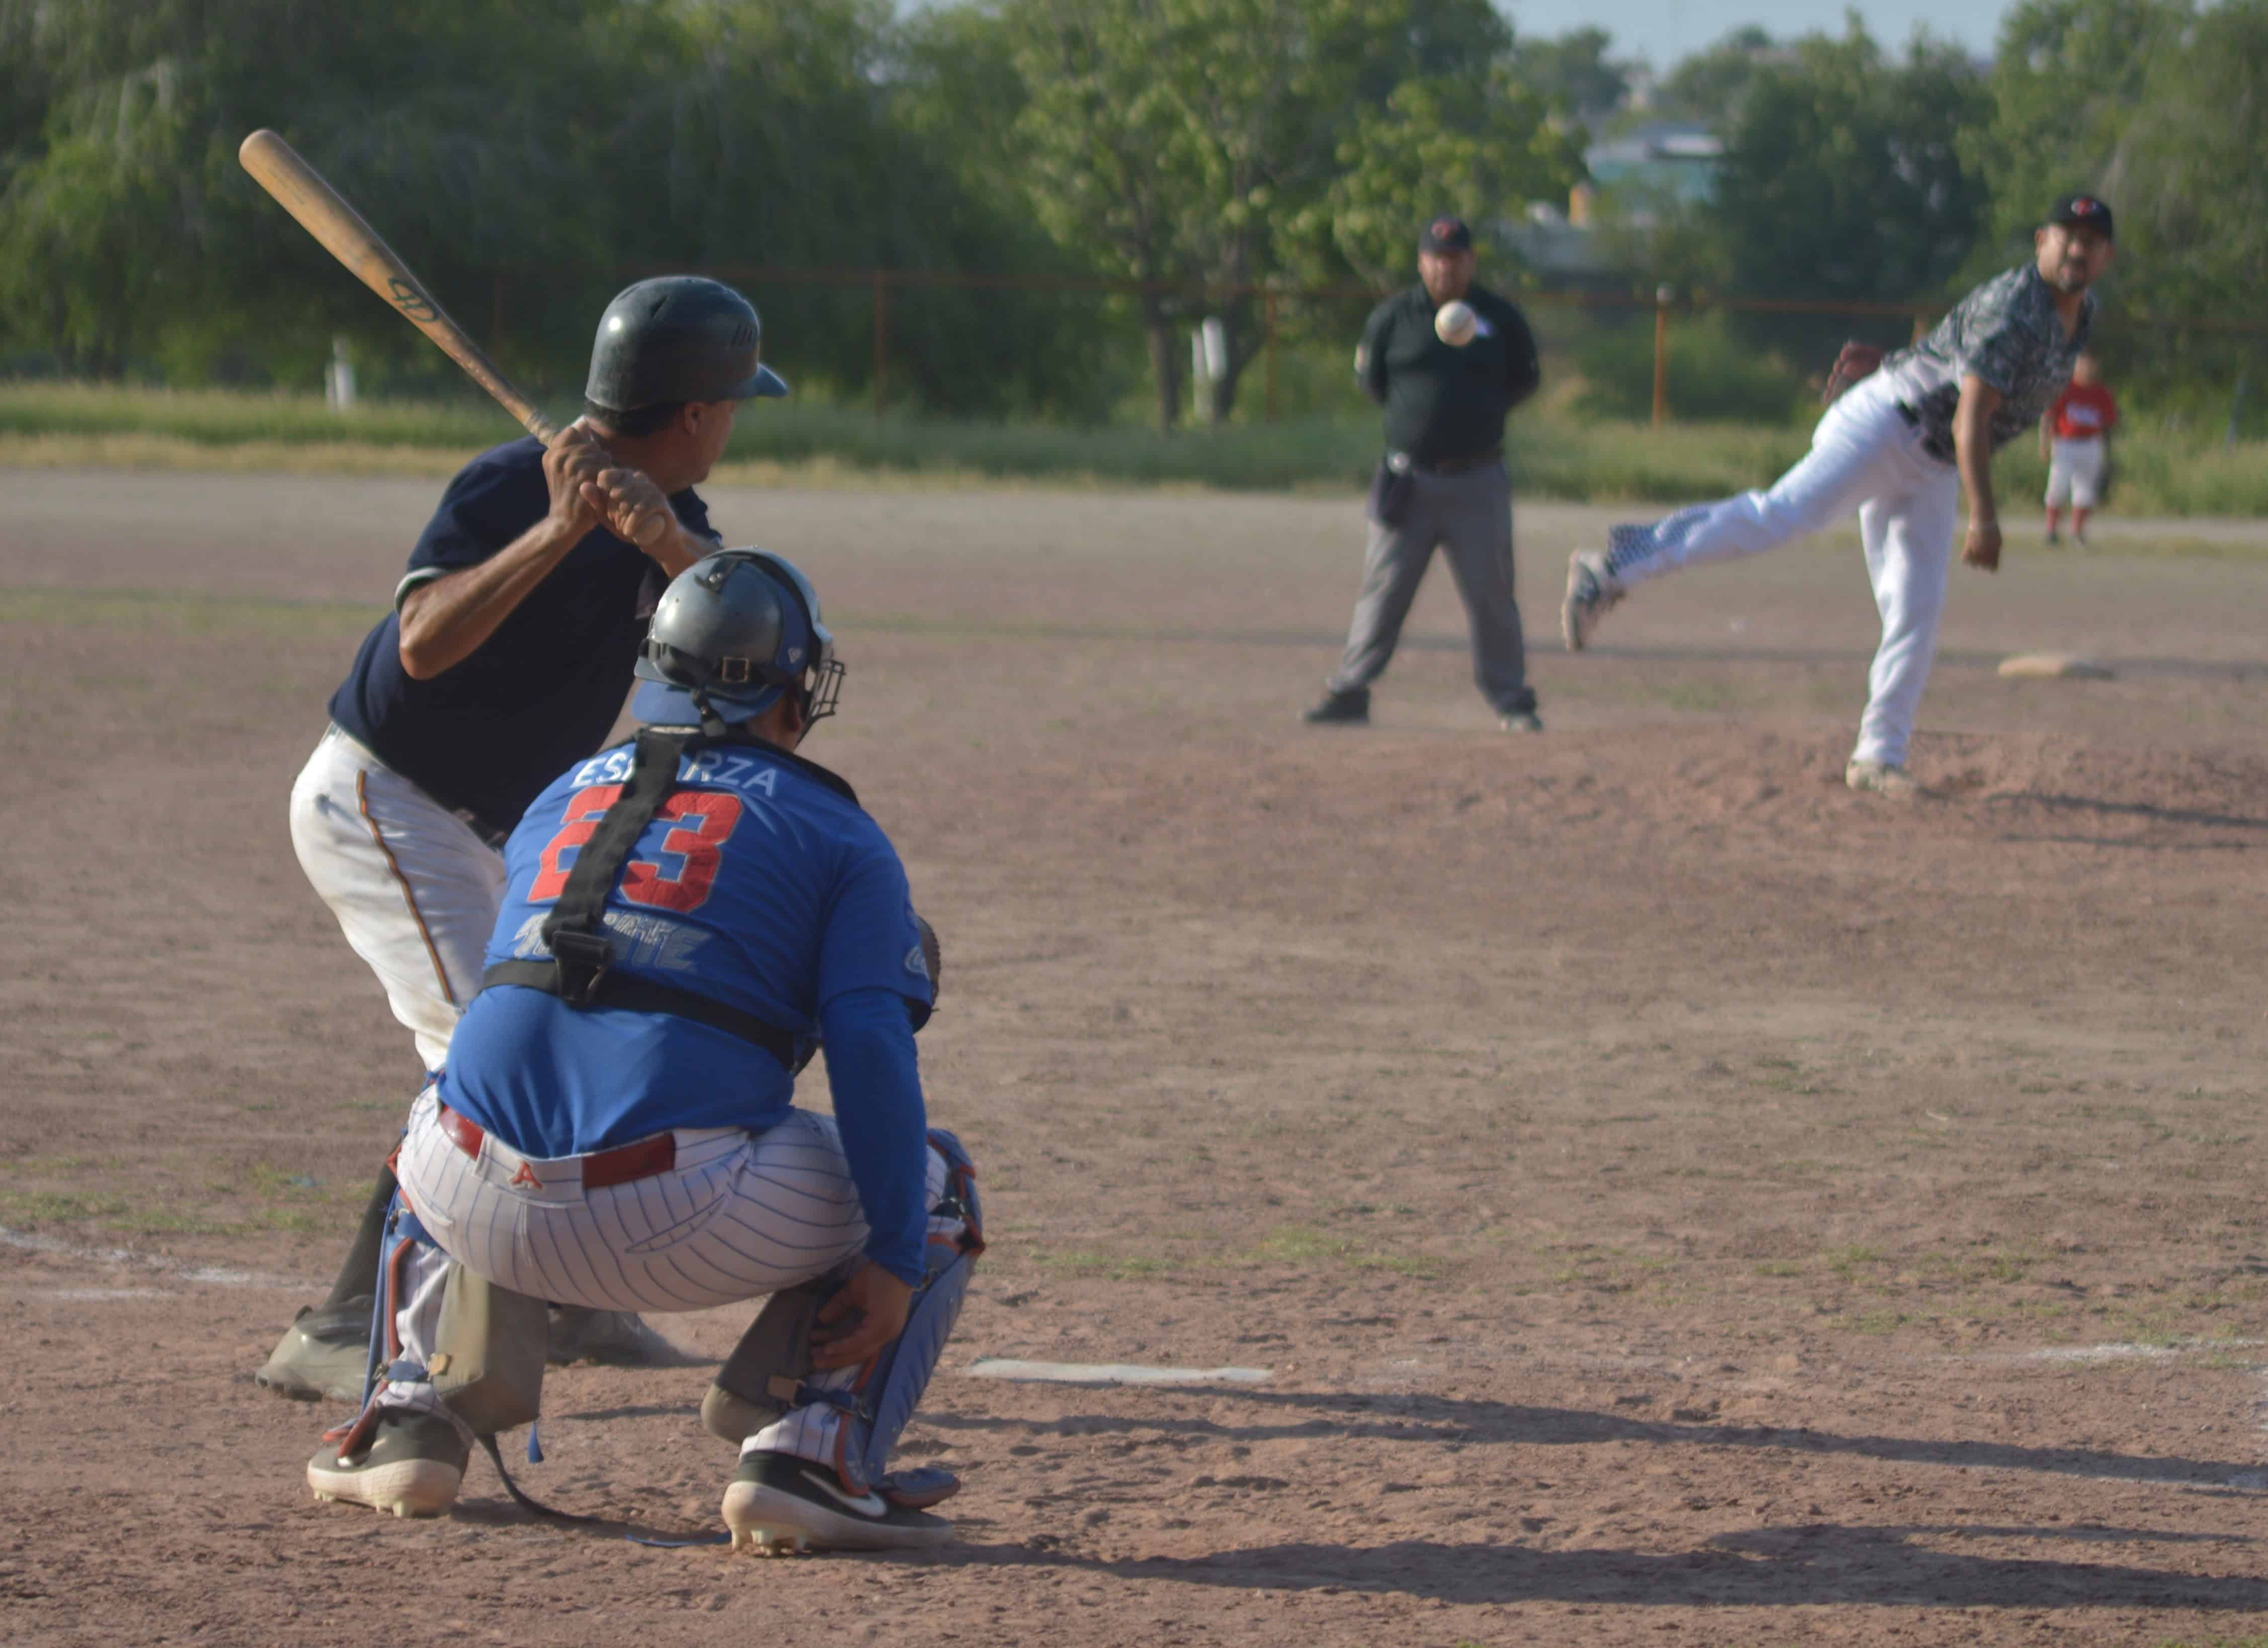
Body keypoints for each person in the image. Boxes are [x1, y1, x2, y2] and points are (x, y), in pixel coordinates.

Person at [304, 550, 985, 1554]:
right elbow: (873, 1050)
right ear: (793, 689)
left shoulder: (562, 795)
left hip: (473, 1200)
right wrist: (887, 1254)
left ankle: (411, 1409)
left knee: (446, 1100)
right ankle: (812, 1447)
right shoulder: (840, 832)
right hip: (677, 1207)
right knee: (938, 1183)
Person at [255, 277, 791, 1404]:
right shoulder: (511, 483)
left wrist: (659, 543)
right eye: (732, 404)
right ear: (693, 413)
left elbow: (760, 660)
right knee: (486, 1062)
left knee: (546, 1037)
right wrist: (557, 530)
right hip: (385, 803)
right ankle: (347, 1320)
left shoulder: (678, 529)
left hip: (487, 831)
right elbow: (419, 647)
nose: (736, 424)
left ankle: (577, 1297)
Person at [1561, 194, 2118, 797]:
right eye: (2066, 234)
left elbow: (1958, 354)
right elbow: (1970, 420)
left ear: (2106, 255)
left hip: (1926, 461)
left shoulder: (2080, 313)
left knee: (1915, 605)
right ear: (2041, 240)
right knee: (1778, 515)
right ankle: (1614, 564)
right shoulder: (2017, 305)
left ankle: (1878, 756)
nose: (2077, 247)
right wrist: (1983, 519)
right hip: (1885, 426)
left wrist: (1906, 358)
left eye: (2090, 238)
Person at [1305, 214, 1546, 733]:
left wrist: (1473, 418)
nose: (1446, 267)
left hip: (1478, 480)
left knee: (1492, 593)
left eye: (1456, 257)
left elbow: (1523, 381)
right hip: (1408, 479)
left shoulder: (1499, 318)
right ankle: (1350, 690)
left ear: (1470, 261)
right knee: (1383, 588)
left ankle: (1511, 699)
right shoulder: (1394, 317)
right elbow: (1373, 382)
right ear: (1421, 262)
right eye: (1436, 258)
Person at [2042, 351, 2118, 545]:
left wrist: (2105, 451)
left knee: (2085, 491)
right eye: (2084, 365)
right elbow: (2049, 417)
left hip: (2091, 444)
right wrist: (2045, 444)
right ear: (2076, 366)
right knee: (2058, 487)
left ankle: (2078, 532)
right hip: (2065, 443)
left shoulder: (2101, 393)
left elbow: (2109, 423)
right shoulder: (2066, 389)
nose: (2088, 369)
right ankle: (2052, 531)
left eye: (2091, 365)